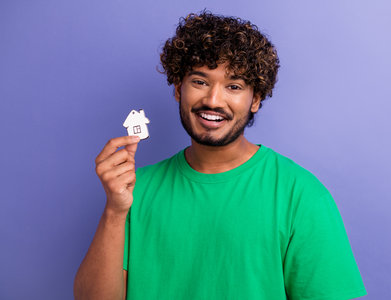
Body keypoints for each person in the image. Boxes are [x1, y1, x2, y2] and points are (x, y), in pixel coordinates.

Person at [74, 11, 367, 300]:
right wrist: (115, 211)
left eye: (234, 86)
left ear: (256, 100)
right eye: (200, 82)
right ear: (178, 89)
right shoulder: (135, 189)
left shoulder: (300, 194)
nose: (213, 100)